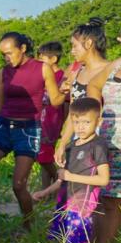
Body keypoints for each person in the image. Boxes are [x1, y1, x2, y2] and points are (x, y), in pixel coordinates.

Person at [0, 31, 65, 228]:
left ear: (23, 49)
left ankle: (28, 226)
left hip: (28, 130)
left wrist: (67, 90)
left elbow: (56, 101)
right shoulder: (3, 72)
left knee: (18, 185)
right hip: (3, 127)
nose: (6, 58)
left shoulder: (43, 69)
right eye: (3, 55)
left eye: (9, 53)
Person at [32, 98, 109, 243]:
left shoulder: (97, 146)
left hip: (82, 206)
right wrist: (45, 192)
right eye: (76, 122)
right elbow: (63, 179)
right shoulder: (71, 146)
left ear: (98, 122)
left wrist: (70, 177)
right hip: (64, 203)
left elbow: (103, 179)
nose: (81, 127)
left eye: (86, 122)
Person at [94, 20, 121, 243]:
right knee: (109, 201)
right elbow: (93, 86)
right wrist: (94, 113)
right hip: (110, 147)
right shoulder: (117, 65)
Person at [35, 42, 68, 191]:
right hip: (39, 120)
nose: (39, 61)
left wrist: (62, 123)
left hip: (51, 122)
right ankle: (46, 191)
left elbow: (66, 104)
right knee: (44, 157)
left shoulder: (62, 77)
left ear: (53, 59)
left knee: (44, 157)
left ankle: (60, 180)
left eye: (42, 58)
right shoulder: (42, 75)